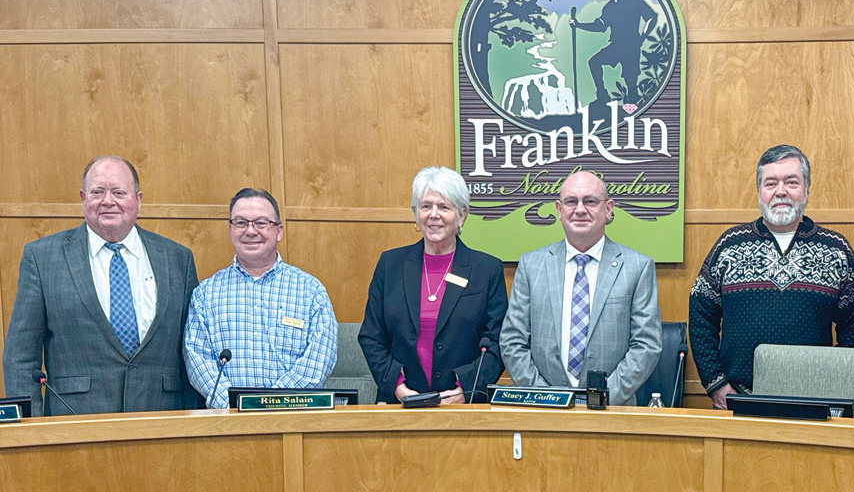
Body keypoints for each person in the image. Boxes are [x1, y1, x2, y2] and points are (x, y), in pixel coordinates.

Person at [2, 156, 200, 415]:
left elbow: (191, 350)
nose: (108, 201)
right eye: (97, 192)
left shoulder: (177, 258)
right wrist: (30, 431)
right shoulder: (42, 258)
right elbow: (20, 357)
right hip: (75, 424)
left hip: (162, 420)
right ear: (83, 198)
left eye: (119, 192)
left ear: (138, 200)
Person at [689, 144, 854, 410]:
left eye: (791, 182)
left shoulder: (836, 250)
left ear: (806, 190)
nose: (780, 191)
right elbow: (701, 317)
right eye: (771, 183)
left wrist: (837, 386)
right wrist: (716, 384)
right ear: (759, 191)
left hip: (814, 404)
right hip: (738, 402)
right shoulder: (729, 246)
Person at [500, 169, 661, 406]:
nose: (580, 209)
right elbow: (512, 341)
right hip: (543, 413)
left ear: (608, 209)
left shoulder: (637, 267)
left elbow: (647, 345)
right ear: (559, 209)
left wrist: (603, 398)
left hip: (612, 412)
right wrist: (546, 398)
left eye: (590, 201)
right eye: (571, 201)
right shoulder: (531, 265)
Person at [359, 167, 507, 403]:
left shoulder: (486, 270)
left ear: (461, 215)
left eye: (444, 207)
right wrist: (398, 387)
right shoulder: (390, 265)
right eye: (426, 206)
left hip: (464, 406)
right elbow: (371, 336)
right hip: (400, 404)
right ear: (416, 213)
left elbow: (497, 342)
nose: (434, 214)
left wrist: (465, 389)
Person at [184, 188, 337, 408]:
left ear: (279, 231)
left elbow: (319, 360)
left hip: (293, 419)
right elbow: (197, 357)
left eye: (261, 223)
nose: (250, 231)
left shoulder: (310, 291)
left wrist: (272, 404)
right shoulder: (206, 294)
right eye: (240, 223)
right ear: (230, 230)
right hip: (228, 422)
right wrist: (233, 405)